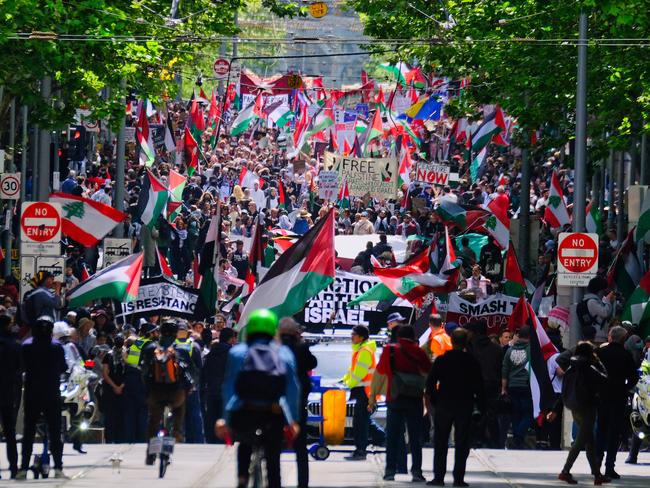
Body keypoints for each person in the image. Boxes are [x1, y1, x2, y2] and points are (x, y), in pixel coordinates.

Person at [216, 309, 300, 488]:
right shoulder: (284, 353)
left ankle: (242, 478)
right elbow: (292, 389)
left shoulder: (237, 353)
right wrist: (293, 420)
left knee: (245, 444)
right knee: (273, 455)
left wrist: (225, 417)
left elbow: (229, 387)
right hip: (273, 412)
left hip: (244, 410)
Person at [426, 328, 484, 487]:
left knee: (440, 442)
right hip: (464, 404)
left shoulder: (442, 360)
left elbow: (430, 383)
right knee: (462, 442)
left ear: (451, 341)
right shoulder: (472, 362)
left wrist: (436, 400)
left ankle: (439, 477)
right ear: (466, 342)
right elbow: (479, 386)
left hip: (444, 403)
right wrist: (480, 406)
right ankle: (458, 478)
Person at [376, 325, 430, 482]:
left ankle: (390, 471)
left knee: (392, 436)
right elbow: (428, 369)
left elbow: (381, 370)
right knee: (415, 437)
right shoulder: (419, 351)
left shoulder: (389, 350)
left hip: (395, 398)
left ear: (398, 335)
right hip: (414, 398)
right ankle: (417, 471)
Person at [17, 316, 68, 480]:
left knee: (29, 432)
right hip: (52, 393)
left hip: (32, 394)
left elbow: (21, 367)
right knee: (55, 432)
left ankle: (23, 468)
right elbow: (63, 367)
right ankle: (58, 468)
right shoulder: (57, 346)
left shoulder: (26, 346)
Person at [556, 342, 609, 485]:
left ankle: (597, 474)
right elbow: (605, 378)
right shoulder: (590, 369)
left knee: (589, 440)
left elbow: (564, 390)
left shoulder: (570, 369)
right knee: (580, 441)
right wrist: (598, 362)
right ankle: (565, 471)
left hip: (573, 407)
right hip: (588, 408)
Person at [141, 320, 190, 463]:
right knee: (179, 409)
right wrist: (189, 388)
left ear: (160, 332)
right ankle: (177, 431)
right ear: (176, 334)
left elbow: (143, 371)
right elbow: (191, 372)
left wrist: (147, 389)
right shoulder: (182, 349)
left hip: (155, 393)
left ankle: (151, 454)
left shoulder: (150, 348)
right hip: (175, 393)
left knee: (153, 422)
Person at [278, 317, 318, 488]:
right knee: (300, 446)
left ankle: (273, 480)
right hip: (298, 402)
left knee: (272, 446)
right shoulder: (300, 346)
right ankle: (303, 483)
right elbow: (312, 362)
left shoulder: (275, 348)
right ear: (295, 332)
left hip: (276, 402)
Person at [595, 326, 638, 479]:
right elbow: (634, 378)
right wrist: (625, 388)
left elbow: (592, 372)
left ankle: (597, 465)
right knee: (614, 434)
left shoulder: (600, 353)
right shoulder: (626, 355)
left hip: (601, 397)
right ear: (623, 339)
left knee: (600, 431)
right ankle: (609, 467)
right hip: (618, 397)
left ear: (610, 337)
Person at [342, 324, 385, 460]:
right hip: (364, 392)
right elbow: (352, 371)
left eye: (353, 335)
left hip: (365, 393)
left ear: (361, 337)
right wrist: (343, 381)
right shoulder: (360, 350)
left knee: (360, 423)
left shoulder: (364, 351)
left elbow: (359, 374)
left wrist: (348, 384)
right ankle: (386, 439)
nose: (351, 337)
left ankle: (361, 451)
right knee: (364, 421)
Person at [466, 319, 504, 448]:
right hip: (492, 384)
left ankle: (477, 438)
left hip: (475, 385)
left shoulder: (470, 347)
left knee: (475, 413)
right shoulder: (497, 349)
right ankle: (494, 441)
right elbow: (500, 368)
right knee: (491, 414)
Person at [123, 321, 158, 443]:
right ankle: (142, 439)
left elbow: (132, 363)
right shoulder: (152, 346)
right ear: (150, 333)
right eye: (154, 332)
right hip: (142, 382)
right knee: (143, 412)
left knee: (130, 412)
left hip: (130, 381)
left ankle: (129, 438)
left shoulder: (136, 344)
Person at [203, 327, 237, 443]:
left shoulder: (211, 353)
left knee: (212, 418)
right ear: (231, 339)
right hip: (226, 392)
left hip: (212, 391)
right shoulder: (232, 354)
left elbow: (205, 372)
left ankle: (211, 440)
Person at [501, 326, 532, 449]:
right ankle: (518, 436)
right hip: (526, 386)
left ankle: (517, 438)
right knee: (528, 413)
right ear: (529, 337)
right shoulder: (531, 350)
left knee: (515, 413)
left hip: (512, 386)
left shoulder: (510, 350)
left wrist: (504, 388)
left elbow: (505, 370)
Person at [175, 320, 205, 443]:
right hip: (192, 386)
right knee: (194, 415)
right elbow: (199, 368)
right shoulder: (195, 346)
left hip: (176, 387)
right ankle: (196, 441)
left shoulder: (172, 346)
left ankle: (179, 438)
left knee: (178, 414)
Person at [0, 314, 20, 479]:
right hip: (7, 393)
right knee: (10, 432)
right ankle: (14, 467)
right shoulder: (14, 344)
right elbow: (20, 368)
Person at [102, 333, 127, 443]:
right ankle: (110, 439)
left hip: (122, 389)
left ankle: (119, 438)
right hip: (111, 389)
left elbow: (129, 371)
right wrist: (116, 386)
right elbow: (105, 373)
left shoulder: (127, 354)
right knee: (110, 416)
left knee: (121, 415)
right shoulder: (109, 355)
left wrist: (121, 386)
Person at [577, 276, 614, 343]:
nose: (604, 292)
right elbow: (605, 313)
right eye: (603, 290)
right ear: (599, 290)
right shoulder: (592, 301)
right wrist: (608, 300)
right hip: (597, 336)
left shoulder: (596, 300)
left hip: (599, 335)